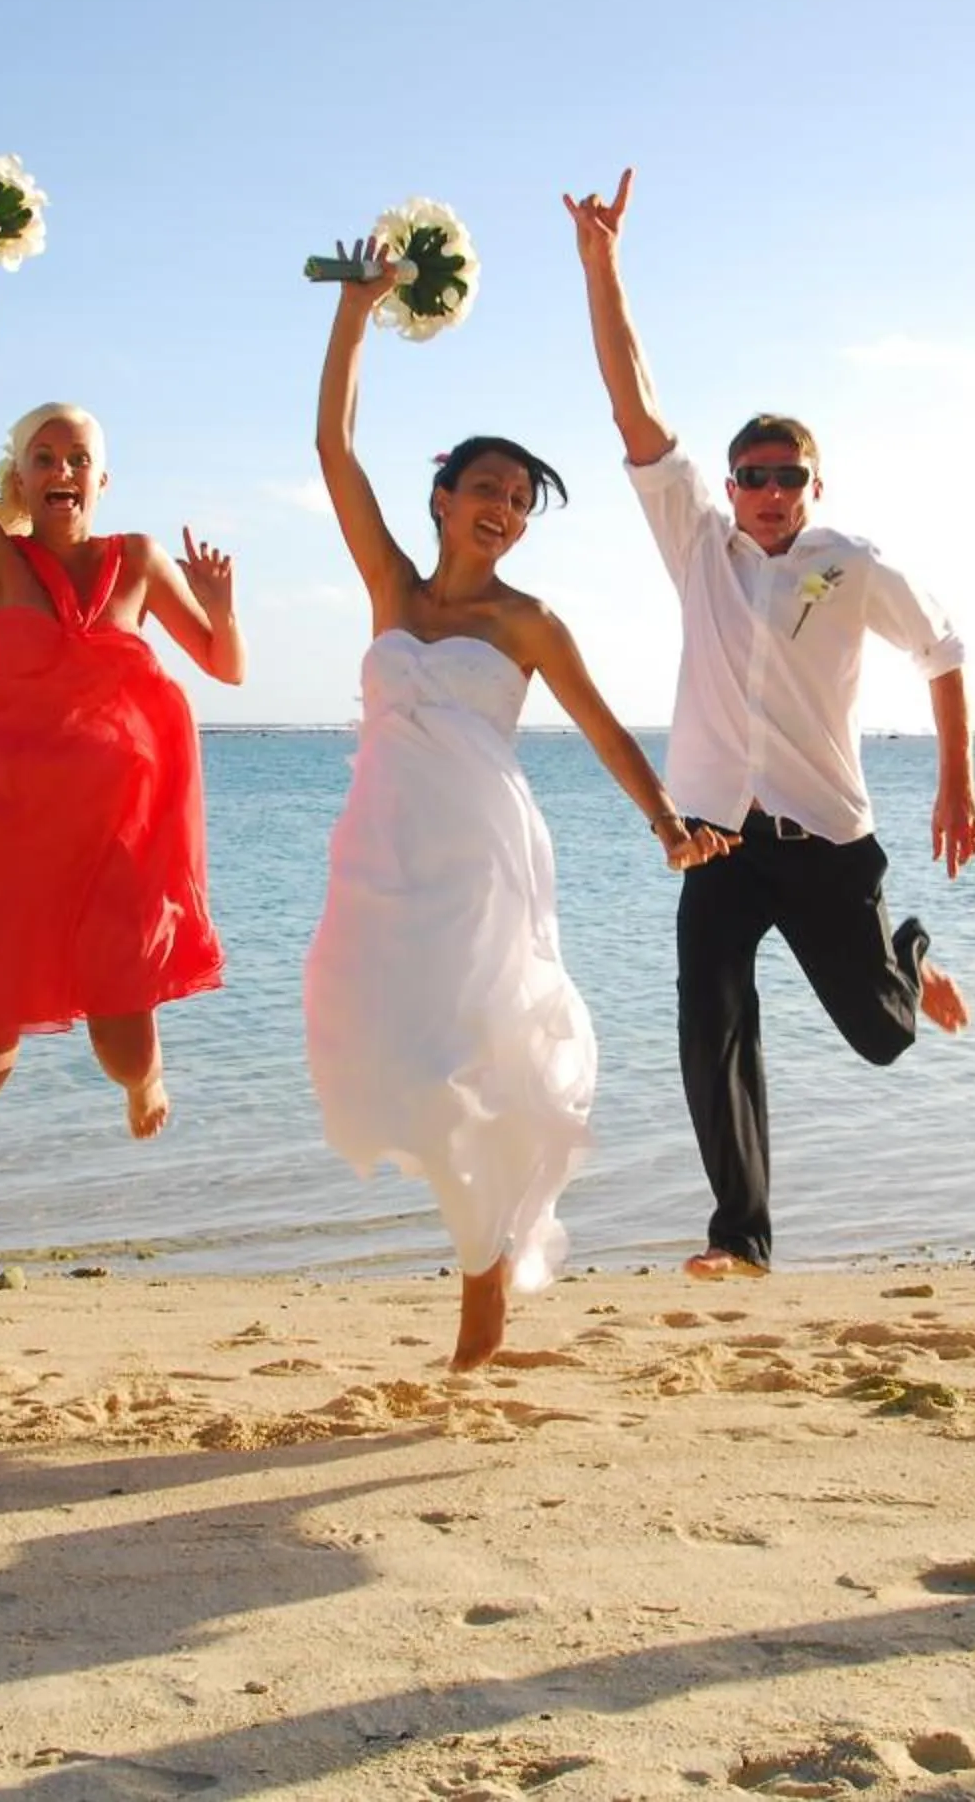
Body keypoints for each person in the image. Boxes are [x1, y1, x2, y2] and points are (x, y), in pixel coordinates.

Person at [304, 237, 735, 1369]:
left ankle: (481, 1281)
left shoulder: (528, 622)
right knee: (387, 1060)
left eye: (519, 500)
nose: (502, 506)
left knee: (481, 1058)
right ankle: (481, 1252)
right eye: (485, 488)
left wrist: (664, 819)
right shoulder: (390, 586)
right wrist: (358, 312)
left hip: (484, 862)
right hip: (380, 860)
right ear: (443, 496)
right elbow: (333, 446)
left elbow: (601, 725)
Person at [565, 170, 975, 1280]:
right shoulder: (697, 543)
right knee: (713, 1026)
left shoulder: (850, 566)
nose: (764, 491)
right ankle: (738, 1235)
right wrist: (603, 268)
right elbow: (634, 408)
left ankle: (911, 952)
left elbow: (944, 651)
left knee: (883, 1035)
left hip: (826, 842)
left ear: (811, 481)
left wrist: (957, 783)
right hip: (718, 841)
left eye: (783, 476)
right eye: (749, 475)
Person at [0, 217, 242, 1140]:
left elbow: (225, 667)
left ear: (103, 479)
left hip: (116, 834)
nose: (62, 468)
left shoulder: (137, 560)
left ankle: (146, 1082)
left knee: (122, 1034)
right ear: (18, 475)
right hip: (3, 830)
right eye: (45, 457)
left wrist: (222, 605)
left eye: (79, 459)